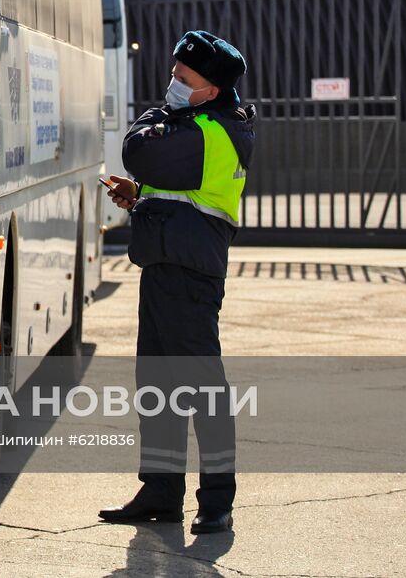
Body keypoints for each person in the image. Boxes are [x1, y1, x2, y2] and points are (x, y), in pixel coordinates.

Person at [98, 30, 256, 536]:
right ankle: (162, 492)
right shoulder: (197, 125)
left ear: (210, 91)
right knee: (158, 386)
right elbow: (169, 180)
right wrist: (141, 195)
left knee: (203, 387)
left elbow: (137, 150)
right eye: (173, 74)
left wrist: (144, 163)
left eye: (183, 79)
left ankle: (216, 502)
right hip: (165, 268)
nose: (172, 84)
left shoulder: (213, 129)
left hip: (189, 276)